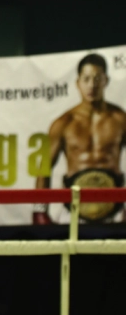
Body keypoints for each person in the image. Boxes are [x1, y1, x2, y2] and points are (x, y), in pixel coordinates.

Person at [34, 52, 126, 225]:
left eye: (97, 78)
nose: (92, 85)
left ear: (106, 80)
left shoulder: (120, 119)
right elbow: (44, 167)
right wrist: (40, 211)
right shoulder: (63, 123)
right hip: (74, 211)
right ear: (78, 82)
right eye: (86, 79)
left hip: (114, 211)